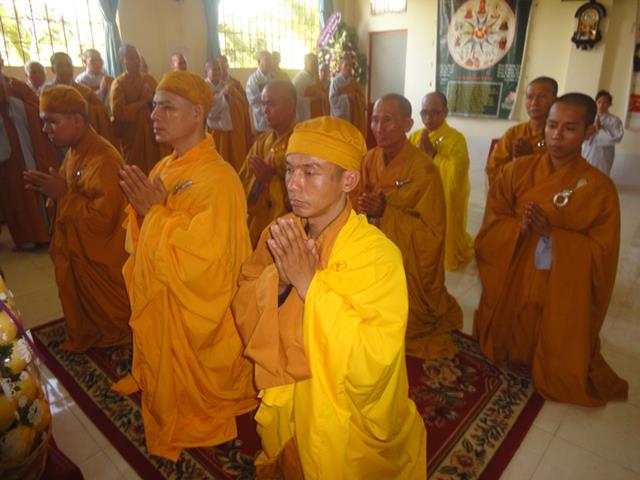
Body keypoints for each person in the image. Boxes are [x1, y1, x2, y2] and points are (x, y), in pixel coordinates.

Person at [233, 116, 426, 479]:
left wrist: (310, 285)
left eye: (310, 172)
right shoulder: (280, 232)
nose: (293, 183)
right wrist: (278, 283)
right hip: (289, 393)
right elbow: (245, 289)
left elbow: (374, 359)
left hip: (340, 418)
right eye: (290, 170)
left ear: (348, 180)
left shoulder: (378, 256)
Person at [112, 71, 257, 460]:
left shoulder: (220, 179)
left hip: (199, 310)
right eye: (154, 106)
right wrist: (145, 214)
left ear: (197, 113)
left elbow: (209, 260)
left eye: (167, 107)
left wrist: (156, 215)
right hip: (165, 297)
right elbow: (140, 238)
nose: (154, 115)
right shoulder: (163, 167)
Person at [474, 93, 628, 406]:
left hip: (558, 282)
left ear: (588, 131)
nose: (557, 135)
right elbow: (493, 221)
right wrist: (519, 228)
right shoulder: (517, 171)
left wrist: (552, 235)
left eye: (569, 129)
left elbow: (602, 253)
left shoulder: (599, 189)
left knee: (547, 327)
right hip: (516, 268)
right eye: (552, 125)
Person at [23, 86, 130, 352]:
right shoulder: (76, 152)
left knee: (111, 318)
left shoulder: (103, 159)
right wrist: (57, 192)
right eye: (43, 122)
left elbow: (103, 219)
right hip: (80, 250)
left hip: (103, 256)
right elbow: (69, 194)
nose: (45, 129)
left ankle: (111, 334)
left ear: (77, 120)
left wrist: (63, 195)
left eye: (52, 121)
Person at [356, 94, 462, 359]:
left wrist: (386, 213)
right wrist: (364, 207)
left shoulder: (425, 169)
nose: (379, 128)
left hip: (405, 264)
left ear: (407, 124)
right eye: (375, 120)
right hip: (373, 251)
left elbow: (432, 233)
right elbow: (356, 204)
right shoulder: (369, 159)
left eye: (388, 120)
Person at [409, 92, 474, 270]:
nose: (428, 118)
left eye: (434, 112)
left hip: (444, 197)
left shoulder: (456, 139)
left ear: (445, 112)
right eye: (424, 113)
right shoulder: (415, 136)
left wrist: (433, 155)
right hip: (419, 196)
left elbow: (457, 174)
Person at [0, 54, 57, 250]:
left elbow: (37, 107)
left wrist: (13, 105)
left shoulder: (15, 85)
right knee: (14, 193)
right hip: (7, 153)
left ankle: (42, 232)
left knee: (32, 185)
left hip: (25, 145)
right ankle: (26, 238)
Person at [238, 81, 296, 247]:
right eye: (263, 104)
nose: (265, 111)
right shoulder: (261, 143)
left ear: (290, 106)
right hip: (257, 226)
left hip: (287, 233)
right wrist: (260, 182)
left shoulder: (301, 143)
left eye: (272, 104)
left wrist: (272, 179)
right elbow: (242, 185)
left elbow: (307, 195)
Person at [486, 76, 558, 187]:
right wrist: (517, 163)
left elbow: (559, 175)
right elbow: (493, 169)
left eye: (542, 96)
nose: (534, 102)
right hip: (513, 192)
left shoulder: (559, 136)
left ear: (555, 100)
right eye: (529, 97)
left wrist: (530, 158)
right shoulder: (514, 133)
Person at [43, 52, 118, 148]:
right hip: (59, 138)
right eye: (60, 66)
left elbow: (101, 111)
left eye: (68, 65)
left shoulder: (84, 90)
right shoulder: (48, 90)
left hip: (87, 137)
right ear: (53, 69)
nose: (65, 69)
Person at [111, 44, 165, 173]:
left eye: (137, 57)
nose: (135, 61)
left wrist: (152, 99)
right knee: (135, 171)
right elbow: (118, 113)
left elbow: (162, 103)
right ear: (121, 61)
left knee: (157, 169)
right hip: (132, 137)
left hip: (152, 133)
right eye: (130, 58)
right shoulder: (118, 84)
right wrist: (142, 101)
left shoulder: (149, 79)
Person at [204, 58, 251, 171]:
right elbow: (208, 110)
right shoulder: (203, 87)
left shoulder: (227, 85)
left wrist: (232, 98)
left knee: (232, 158)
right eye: (214, 69)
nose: (218, 72)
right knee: (218, 159)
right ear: (206, 72)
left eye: (219, 69)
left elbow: (242, 102)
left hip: (231, 130)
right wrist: (223, 95)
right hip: (214, 131)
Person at [581, 90, 625, 176]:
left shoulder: (614, 120)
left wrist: (599, 129)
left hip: (603, 155)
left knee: (600, 177)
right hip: (587, 151)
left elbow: (616, 138)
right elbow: (580, 134)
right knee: (583, 176)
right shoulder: (588, 117)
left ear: (610, 104)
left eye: (605, 103)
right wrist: (590, 130)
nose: (601, 105)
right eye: (599, 102)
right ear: (595, 102)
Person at [329, 54, 366, 136]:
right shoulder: (335, 82)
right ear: (340, 67)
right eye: (346, 65)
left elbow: (361, 97)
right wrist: (347, 97)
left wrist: (356, 97)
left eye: (350, 65)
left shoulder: (353, 81)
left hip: (353, 116)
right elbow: (332, 100)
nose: (349, 68)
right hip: (340, 118)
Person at [292, 53, 329, 122]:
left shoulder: (316, 78)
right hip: (306, 117)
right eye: (313, 63)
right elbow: (294, 100)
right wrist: (311, 99)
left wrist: (322, 95)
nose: (315, 66)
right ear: (305, 63)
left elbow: (322, 92)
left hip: (318, 115)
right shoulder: (299, 79)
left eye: (316, 63)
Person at [75, 49, 113, 114]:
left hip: (108, 112)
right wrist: (101, 90)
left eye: (100, 60)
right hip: (92, 114)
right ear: (85, 62)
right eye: (93, 61)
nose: (97, 63)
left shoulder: (106, 76)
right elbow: (86, 101)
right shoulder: (81, 80)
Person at [246, 51, 273, 133]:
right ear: (258, 61)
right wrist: (268, 94)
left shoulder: (274, 77)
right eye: (267, 60)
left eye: (271, 60)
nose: (270, 62)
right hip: (261, 119)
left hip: (274, 118)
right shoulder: (253, 79)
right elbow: (252, 100)